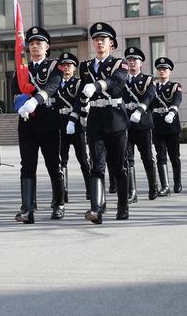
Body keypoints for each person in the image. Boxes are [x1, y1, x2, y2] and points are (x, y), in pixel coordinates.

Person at [73, 22, 130, 224]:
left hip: (115, 119)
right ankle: (96, 208)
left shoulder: (120, 63)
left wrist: (97, 85)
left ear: (111, 44)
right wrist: (78, 114)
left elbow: (117, 81)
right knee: (97, 166)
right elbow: (82, 94)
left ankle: (123, 206)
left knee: (118, 166)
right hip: (95, 119)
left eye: (102, 40)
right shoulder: (86, 66)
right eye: (96, 39)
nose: (98, 42)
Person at [12, 26, 63, 223]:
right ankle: (27, 208)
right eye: (31, 44)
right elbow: (14, 89)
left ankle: (58, 203)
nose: (34, 46)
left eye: (38, 43)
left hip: (48, 120)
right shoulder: (22, 69)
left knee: (53, 164)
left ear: (47, 46)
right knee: (27, 166)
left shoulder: (54, 66)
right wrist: (21, 105)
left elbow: (53, 85)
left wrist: (35, 100)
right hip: (27, 122)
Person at [122, 47, 158, 201]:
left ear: (141, 63)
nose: (131, 63)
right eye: (129, 60)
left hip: (142, 123)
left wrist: (140, 110)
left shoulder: (148, 80)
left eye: (134, 60)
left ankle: (153, 186)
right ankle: (132, 192)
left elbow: (149, 96)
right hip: (125, 124)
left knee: (147, 157)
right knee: (127, 158)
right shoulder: (121, 79)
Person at [55, 52, 91, 204]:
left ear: (74, 68)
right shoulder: (55, 83)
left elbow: (78, 102)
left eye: (69, 66)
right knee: (61, 160)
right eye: (63, 66)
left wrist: (73, 119)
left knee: (83, 159)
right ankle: (63, 191)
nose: (66, 68)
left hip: (75, 125)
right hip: (60, 124)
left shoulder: (78, 83)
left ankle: (90, 189)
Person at [151, 57, 184, 195]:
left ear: (170, 72)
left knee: (174, 156)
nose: (162, 71)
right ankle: (165, 186)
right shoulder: (152, 86)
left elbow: (177, 100)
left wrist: (172, 112)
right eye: (160, 69)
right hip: (157, 124)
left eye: (165, 69)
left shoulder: (175, 86)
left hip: (171, 125)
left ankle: (177, 182)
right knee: (160, 156)